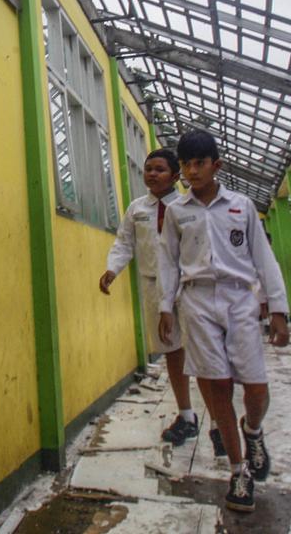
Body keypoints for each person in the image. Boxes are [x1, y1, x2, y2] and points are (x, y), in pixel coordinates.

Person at [157, 129, 290, 514]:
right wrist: (166, 306)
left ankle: (254, 430)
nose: (191, 171)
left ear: (217, 165)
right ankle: (239, 471)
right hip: (196, 301)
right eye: (185, 164)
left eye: (199, 163)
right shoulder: (177, 212)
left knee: (256, 388)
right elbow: (168, 261)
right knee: (217, 389)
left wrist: (277, 308)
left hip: (239, 299)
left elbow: (263, 257)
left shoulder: (241, 206)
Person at [99, 148, 198, 444]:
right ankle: (187, 415)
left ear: (175, 175)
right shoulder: (137, 209)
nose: (152, 174)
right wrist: (112, 270)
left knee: (202, 347)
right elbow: (124, 243)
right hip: (153, 287)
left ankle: (218, 421)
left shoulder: (186, 207)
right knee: (171, 350)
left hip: (188, 287)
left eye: (159, 169)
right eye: (148, 169)